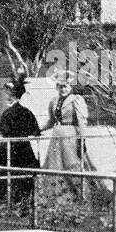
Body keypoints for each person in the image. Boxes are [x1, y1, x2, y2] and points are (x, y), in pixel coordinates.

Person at [42, 71, 101, 199]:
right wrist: (38, 129)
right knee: (55, 165)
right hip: (57, 137)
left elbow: (81, 121)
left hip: (71, 136)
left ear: (70, 86)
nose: (63, 89)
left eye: (66, 86)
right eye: (60, 86)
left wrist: (82, 139)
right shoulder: (53, 101)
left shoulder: (76, 99)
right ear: (57, 87)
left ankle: (82, 196)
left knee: (73, 165)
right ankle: (57, 197)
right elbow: (51, 121)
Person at [0, 74, 41, 208]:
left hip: (10, 149)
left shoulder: (7, 113)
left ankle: (4, 200)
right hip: (24, 149)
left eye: (9, 94)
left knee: (5, 170)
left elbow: (3, 132)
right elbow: (35, 132)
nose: (7, 96)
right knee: (27, 172)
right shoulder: (27, 112)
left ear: (14, 96)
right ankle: (25, 199)